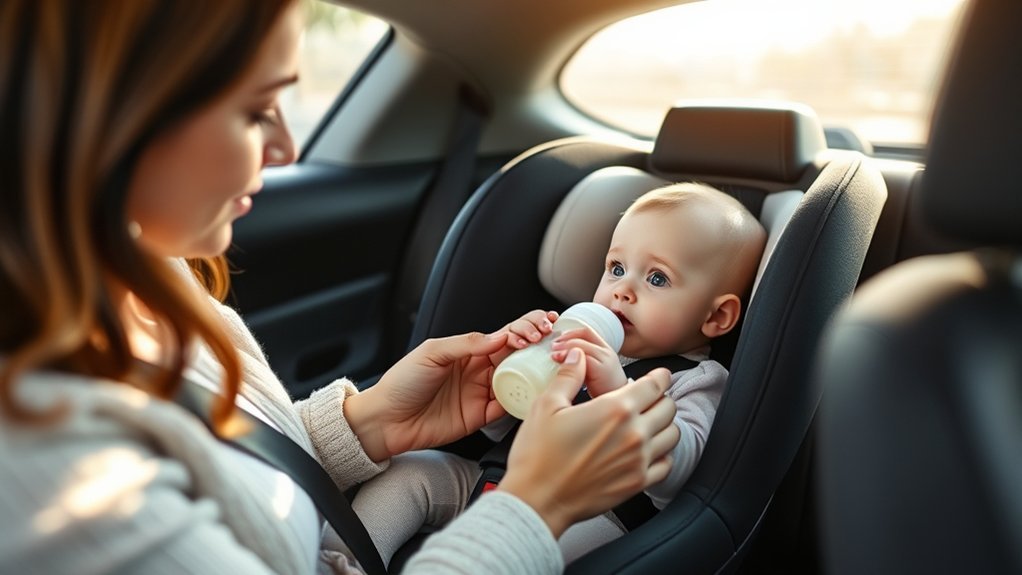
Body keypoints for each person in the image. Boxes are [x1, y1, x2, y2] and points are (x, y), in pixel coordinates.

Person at [0, 2, 681, 574]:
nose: (287, 146)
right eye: (257, 108)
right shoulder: (47, 477)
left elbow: (229, 473)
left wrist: (367, 424)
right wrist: (537, 505)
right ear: (110, 115)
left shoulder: (144, 270)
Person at [351, 183, 768, 564]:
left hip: (591, 515)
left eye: (657, 278)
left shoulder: (698, 379)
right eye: (616, 268)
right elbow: (507, 430)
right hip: (497, 480)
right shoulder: (569, 342)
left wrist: (615, 392)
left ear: (717, 316)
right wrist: (507, 378)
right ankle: (345, 560)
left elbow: (677, 477)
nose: (623, 290)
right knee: (408, 471)